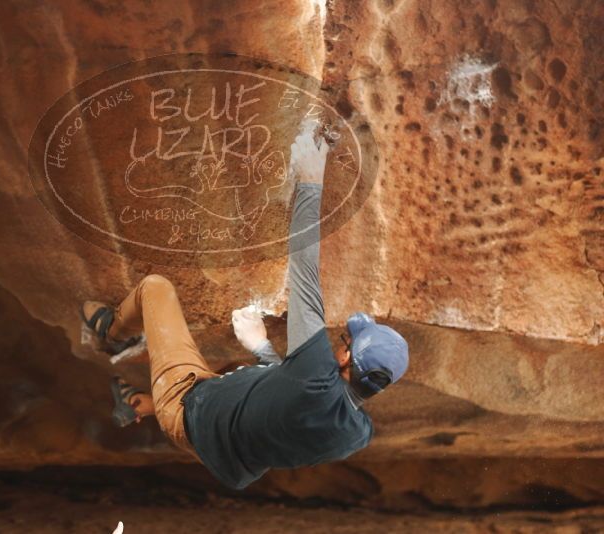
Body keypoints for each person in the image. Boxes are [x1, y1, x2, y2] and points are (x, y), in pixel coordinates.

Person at [81, 124, 409, 490]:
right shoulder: (357, 435)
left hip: (189, 407)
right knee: (247, 379)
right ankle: (140, 404)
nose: (339, 338)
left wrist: (311, 178)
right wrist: (260, 347)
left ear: (346, 359)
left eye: (345, 339)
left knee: (156, 289)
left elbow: (304, 264)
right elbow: (290, 409)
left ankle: (113, 336)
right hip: (225, 453)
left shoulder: (315, 372)